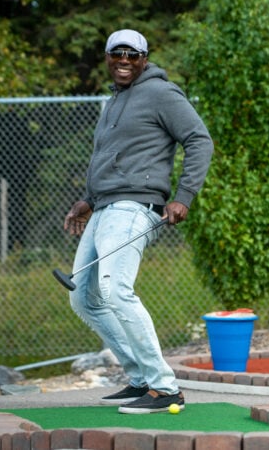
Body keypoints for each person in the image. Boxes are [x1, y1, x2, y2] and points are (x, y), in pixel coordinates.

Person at [62, 29, 213, 414]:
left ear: (145, 59)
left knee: (116, 290)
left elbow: (199, 140)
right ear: (108, 57)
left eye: (132, 54)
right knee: (83, 296)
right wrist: (89, 201)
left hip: (134, 206)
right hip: (105, 207)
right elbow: (115, 158)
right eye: (117, 54)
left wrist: (184, 197)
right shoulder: (115, 100)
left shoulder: (162, 93)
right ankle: (141, 378)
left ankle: (165, 389)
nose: (124, 60)